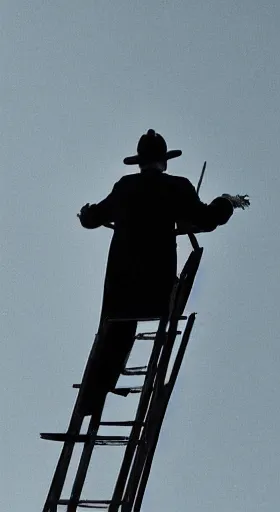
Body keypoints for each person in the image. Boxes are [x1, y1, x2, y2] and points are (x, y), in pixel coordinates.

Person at [75, 129, 244, 415]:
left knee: (113, 335)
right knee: (129, 323)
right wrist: (226, 202)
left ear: (139, 162)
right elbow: (206, 219)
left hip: (121, 289)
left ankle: (91, 401)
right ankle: (96, 400)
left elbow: (94, 218)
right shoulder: (177, 187)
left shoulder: (125, 187)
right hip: (157, 288)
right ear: (164, 162)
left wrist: (87, 212)